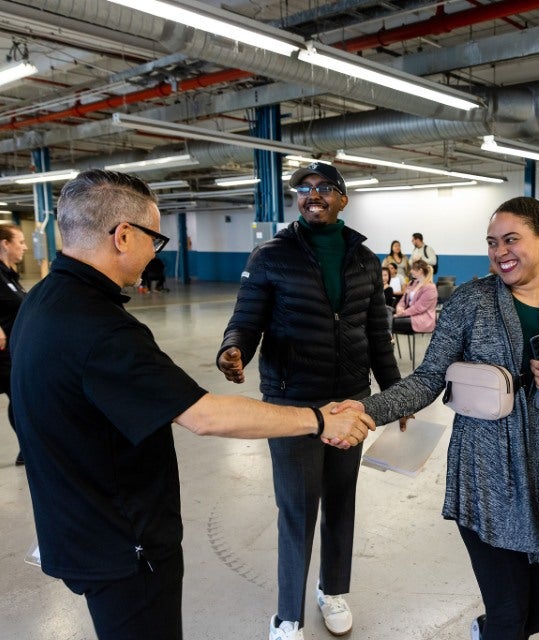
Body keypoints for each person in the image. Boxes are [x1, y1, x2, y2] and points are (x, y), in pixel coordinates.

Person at [10, 170, 373, 640]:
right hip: (124, 543)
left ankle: (331, 589)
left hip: (77, 526)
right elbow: (204, 415)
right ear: (124, 235)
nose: (154, 253)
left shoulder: (42, 302)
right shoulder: (104, 330)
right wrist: (320, 419)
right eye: (154, 239)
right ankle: (290, 614)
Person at [345, 196, 539, 640]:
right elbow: (429, 378)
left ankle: (486, 630)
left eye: (511, 240)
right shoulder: (471, 301)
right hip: (486, 476)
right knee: (510, 617)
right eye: (491, 242)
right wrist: (367, 409)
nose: (500, 252)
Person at [216, 161, 401, 640]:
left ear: (342, 198)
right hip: (292, 402)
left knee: (341, 502)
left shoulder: (364, 259)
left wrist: (396, 395)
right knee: (297, 509)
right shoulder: (270, 255)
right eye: (303, 189)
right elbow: (246, 318)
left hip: (350, 402)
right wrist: (233, 349)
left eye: (323, 188)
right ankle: (287, 616)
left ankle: (332, 590)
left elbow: (376, 333)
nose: (312, 195)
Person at [0, 224, 27, 466]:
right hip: (2, 353)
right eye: (20, 242)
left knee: (19, 395)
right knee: (19, 395)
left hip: (13, 350)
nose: (25, 247)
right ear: (5, 244)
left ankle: (27, 449)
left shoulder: (9, 275)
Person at [393, 259, 438, 334]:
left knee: (389, 322)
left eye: (413, 269)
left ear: (420, 271)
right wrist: (399, 308)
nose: (411, 271)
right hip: (409, 315)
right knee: (387, 321)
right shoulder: (411, 283)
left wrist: (402, 313)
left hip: (423, 320)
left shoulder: (430, 288)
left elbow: (419, 308)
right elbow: (403, 300)